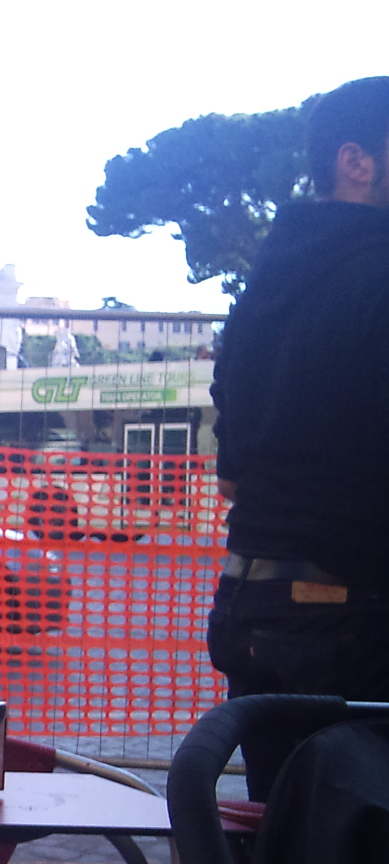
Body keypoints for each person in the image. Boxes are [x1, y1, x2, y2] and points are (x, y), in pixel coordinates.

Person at [208, 76, 389, 699]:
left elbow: (231, 479)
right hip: (352, 620)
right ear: (355, 163)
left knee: (284, 769)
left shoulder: (266, 289)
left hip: (253, 606)